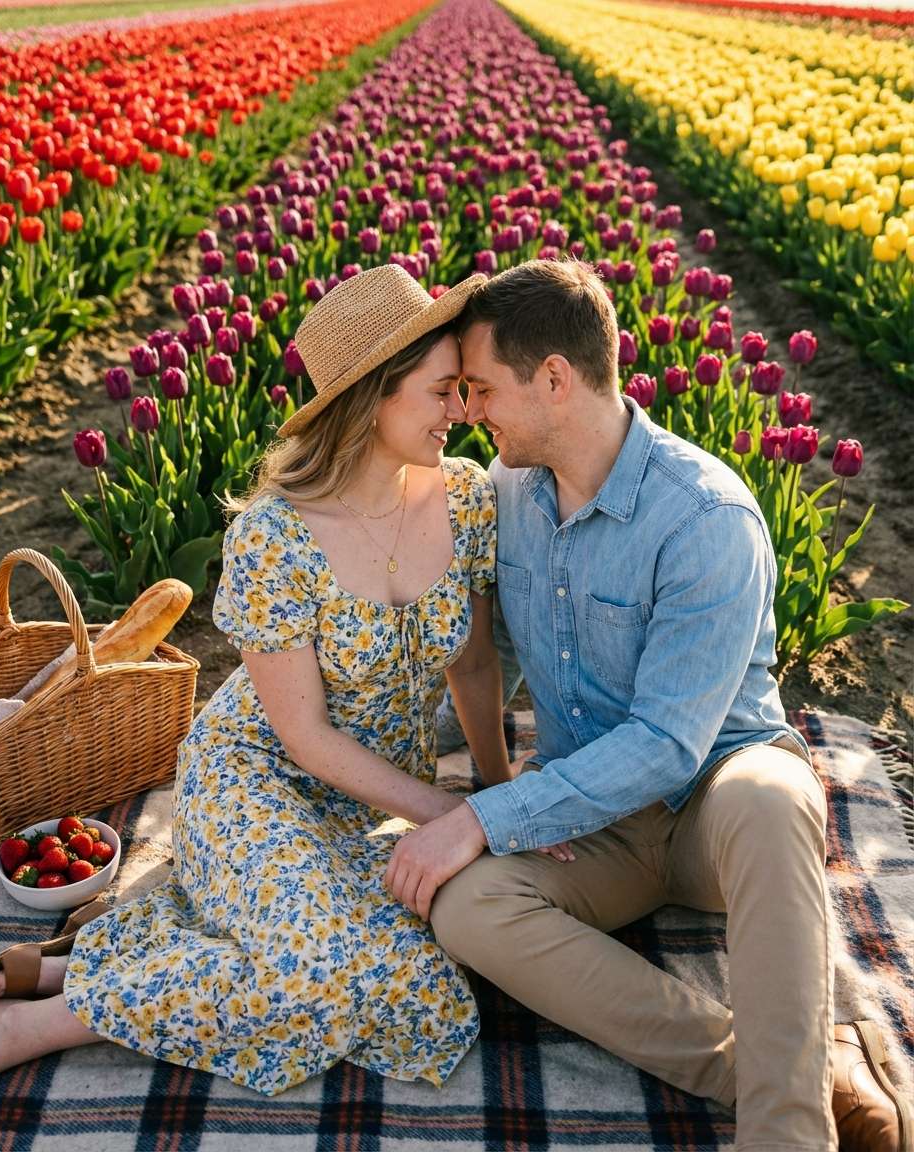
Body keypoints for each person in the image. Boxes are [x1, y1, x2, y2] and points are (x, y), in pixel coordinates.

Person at [384, 259, 911, 1151]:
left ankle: (788, 1135)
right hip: (596, 824)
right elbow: (481, 660)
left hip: (713, 803)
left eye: (481, 388)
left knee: (778, 794)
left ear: (554, 377)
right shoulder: (505, 498)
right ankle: (785, 1071)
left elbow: (670, 745)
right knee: (467, 905)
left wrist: (486, 813)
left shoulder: (705, 515)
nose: (469, 411)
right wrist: (474, 796)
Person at [0, 264, 513, 1095]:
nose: (462, 410)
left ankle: (67, 966)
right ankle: (40, 1021)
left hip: (366, 804)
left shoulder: (468, 497)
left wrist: (497, 791)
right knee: (330, 978)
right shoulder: (277, 537)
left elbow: (476, 666)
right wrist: (451, 813)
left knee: (426, 989)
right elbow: (303, 736)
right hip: (254, 778)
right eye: (441, 391)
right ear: (373, 397)